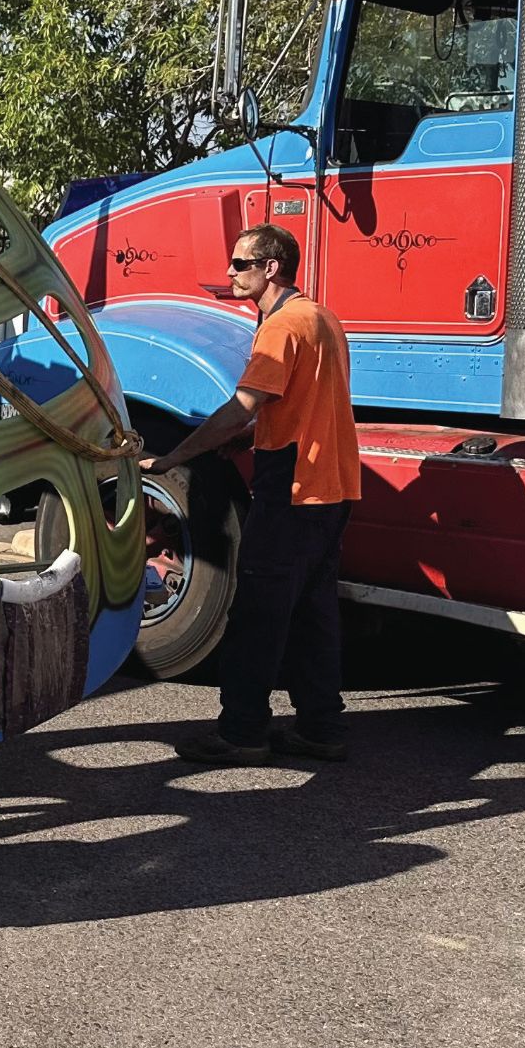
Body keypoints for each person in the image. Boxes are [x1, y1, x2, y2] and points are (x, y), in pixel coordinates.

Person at [140, 223, 362, 764]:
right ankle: (321, 729)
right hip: (333, 488)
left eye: (240, 264)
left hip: (292, 490)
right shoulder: (322, 318)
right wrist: (248, 440)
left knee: (256, 617)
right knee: (314, 615)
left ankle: (242, 732)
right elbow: (305, 404)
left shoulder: (281, 326)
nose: (230, 273)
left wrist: (173, 457)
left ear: (272, 269)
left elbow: (243, 403)